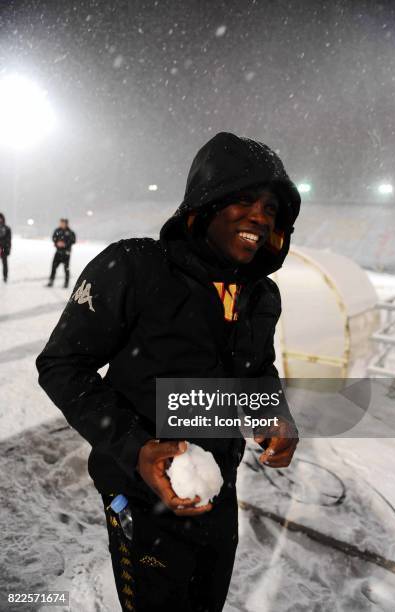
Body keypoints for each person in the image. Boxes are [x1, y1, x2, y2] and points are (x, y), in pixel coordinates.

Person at [36, 132, 301, 612]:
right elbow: (62, 366)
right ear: (204, 204)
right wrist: (137, 448)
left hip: (216, 486)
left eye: (271, 207)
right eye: (244, 199)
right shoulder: (134, 266)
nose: (260, 216)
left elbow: (257, 369)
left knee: (207, 602)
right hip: (139, 491)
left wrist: (272, 416)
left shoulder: (263, 296)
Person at [47, 218, 76, 288]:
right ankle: (51, 281)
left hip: (66, 253)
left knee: (66, 269)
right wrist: (57, 243)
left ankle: (66, 283)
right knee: (53, 267)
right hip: (58, 252)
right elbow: (54, 238)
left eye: (62, 223)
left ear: (66, 224)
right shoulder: (57, 230)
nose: (61, 224)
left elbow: (73, 240)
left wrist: (65, 244)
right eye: (60, 223)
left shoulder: (70, 232)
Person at [0, 213, 12, 283]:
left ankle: (5, 276)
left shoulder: (7, 228)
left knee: (4, 263)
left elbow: (9, 239)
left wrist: (8, 248)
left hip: (4, 248)